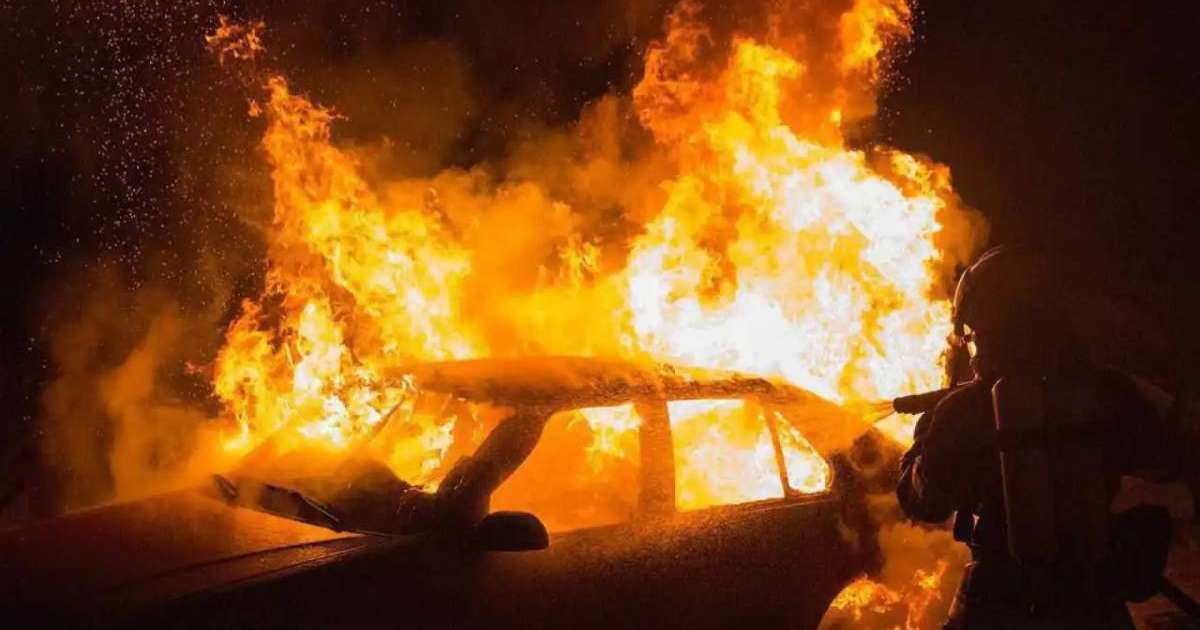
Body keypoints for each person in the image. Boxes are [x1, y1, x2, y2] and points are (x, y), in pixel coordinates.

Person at [897, 246, 1190, 629]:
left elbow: (926, 503)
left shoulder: (964, 409)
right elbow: (1166, 461)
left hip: (997, 603)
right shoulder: (1110, 391)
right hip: (1092, 601)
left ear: (984, 325)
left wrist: (921, 441)